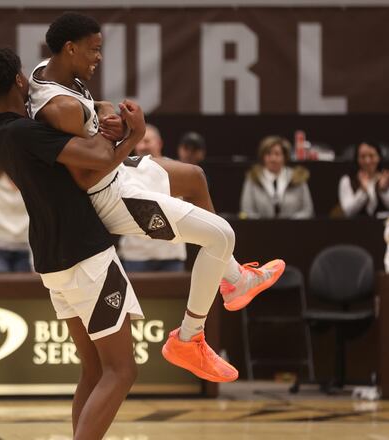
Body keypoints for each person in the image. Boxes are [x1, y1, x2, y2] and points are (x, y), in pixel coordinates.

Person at [31, 10, 286, 378]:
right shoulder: (61, 107)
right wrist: (132, 135)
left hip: (117, 170)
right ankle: (189, 338)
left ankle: (232, 280)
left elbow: (90, 109)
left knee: (194, 177)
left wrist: (107, 112)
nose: (99, 57)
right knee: (221, 234)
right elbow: (86, 179)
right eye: (94, 50)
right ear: (70, 48)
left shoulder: (52, 71)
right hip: (107, 194)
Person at [0, 47, 145, 440]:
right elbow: (99, 158)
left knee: (94, 369)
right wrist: (133, 134)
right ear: (20, 80)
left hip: (51, 259)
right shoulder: (27, 133)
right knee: (122, 370)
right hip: (84, 250)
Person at [118, 124, 187, 272]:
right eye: (139, 142)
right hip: (135, 255)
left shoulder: (177, 169)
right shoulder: (122, 170)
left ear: (159, 143)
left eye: (147, 141)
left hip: (171, 254)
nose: (143, 146)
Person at [240, 136, 314, 219]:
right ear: (263, 157)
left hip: (294, 230)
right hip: (260, 230)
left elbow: (308, 210)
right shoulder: (253, 178)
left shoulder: (298, 177)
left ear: (285, 157)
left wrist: (292, 223)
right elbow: (246, 211)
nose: (273, 158)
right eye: (268, 154)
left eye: (277, 154)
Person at [338, 141, 389, 218]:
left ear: (379, 157)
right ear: (357, 159)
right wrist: (363, 191)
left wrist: (383, 191)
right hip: (356, 227)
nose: (367, 161)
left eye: (371, 156)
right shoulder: (347, 180)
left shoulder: (386, 178)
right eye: (362, 156)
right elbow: (348, 212)